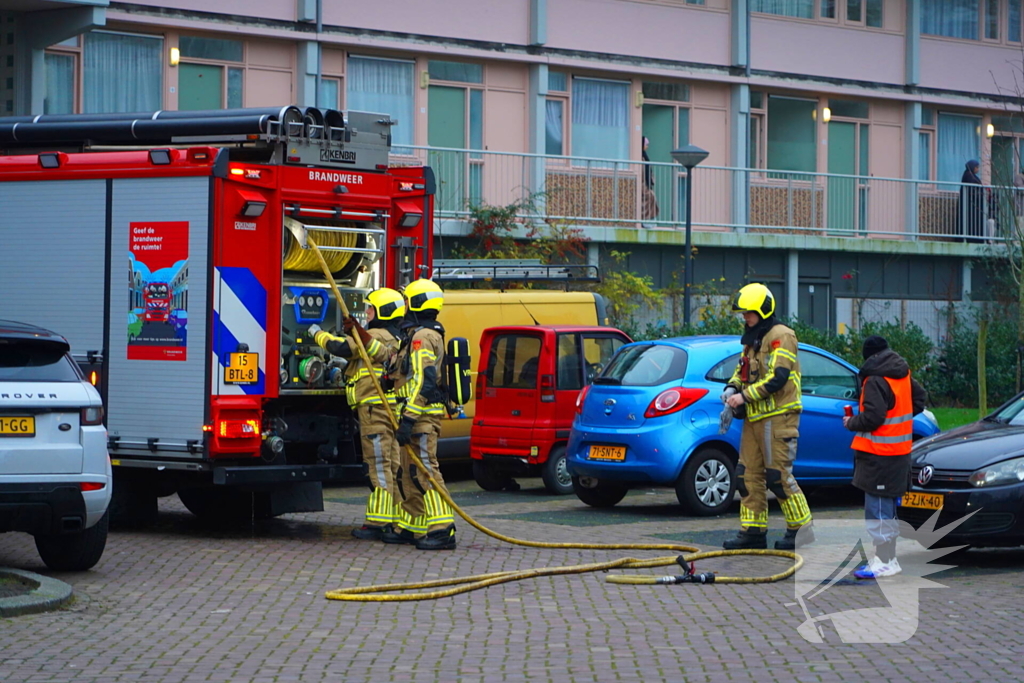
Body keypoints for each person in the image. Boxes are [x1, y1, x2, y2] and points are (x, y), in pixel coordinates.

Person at [308, 288, 405, 541]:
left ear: (383, 311)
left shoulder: (375, 335)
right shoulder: (399, 337)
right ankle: (396, 518)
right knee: (393, 464)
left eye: (371, 308)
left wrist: (316, 333)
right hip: (390, 409)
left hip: (373, 410)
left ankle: (378, 522)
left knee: (377, 465)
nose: (367, 312)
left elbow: (340, 347)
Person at [722, 283, 814, 551]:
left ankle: (801, 530)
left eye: (748, 313)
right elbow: (742, 370)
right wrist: (731, 388)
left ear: (762, 310)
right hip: (755, 418)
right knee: (746, 475)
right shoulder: (753, 337)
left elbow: (778, 377)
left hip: (779, 417)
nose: (744, 317)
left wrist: (744, 396)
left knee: (778, 476)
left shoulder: (781, 336)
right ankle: (752, 531)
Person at [844, 335, 927, 579]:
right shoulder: (902, 373)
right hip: (899, 453)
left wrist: (851, 422)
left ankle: (884, 561)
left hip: (879, 454)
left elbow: (873, 417)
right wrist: (899, 418)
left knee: (878, 509)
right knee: (888, 508)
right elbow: (919, 400)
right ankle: (888, 559)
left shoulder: (874, 379)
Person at [383, 278, 458, 551]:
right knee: (409, 472)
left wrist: (408, 419)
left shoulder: (422, 337)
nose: (404, 307)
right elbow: (408, 375)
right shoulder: (415, 335)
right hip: (413, 416)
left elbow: (424, 382)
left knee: (426, 471)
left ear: (416, 303)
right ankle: (412, 525)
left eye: (407, 301)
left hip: (421, 418)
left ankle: (443, 529)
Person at [958, 159, 985, 242]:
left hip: (972, 204)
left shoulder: (969, 175)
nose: (978, 169)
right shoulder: (969, 176)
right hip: (970, 205)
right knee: (971, 222)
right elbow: (972, 190)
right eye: (977, 167)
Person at [641, 136, 659, 224]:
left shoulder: (644, 156)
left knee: (651, 197)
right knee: (648, 197)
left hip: (645, 183)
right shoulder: (640, 157)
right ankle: (645, 220)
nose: (647, 146)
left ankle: (649, 219)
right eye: (646, 144)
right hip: (642, 183)